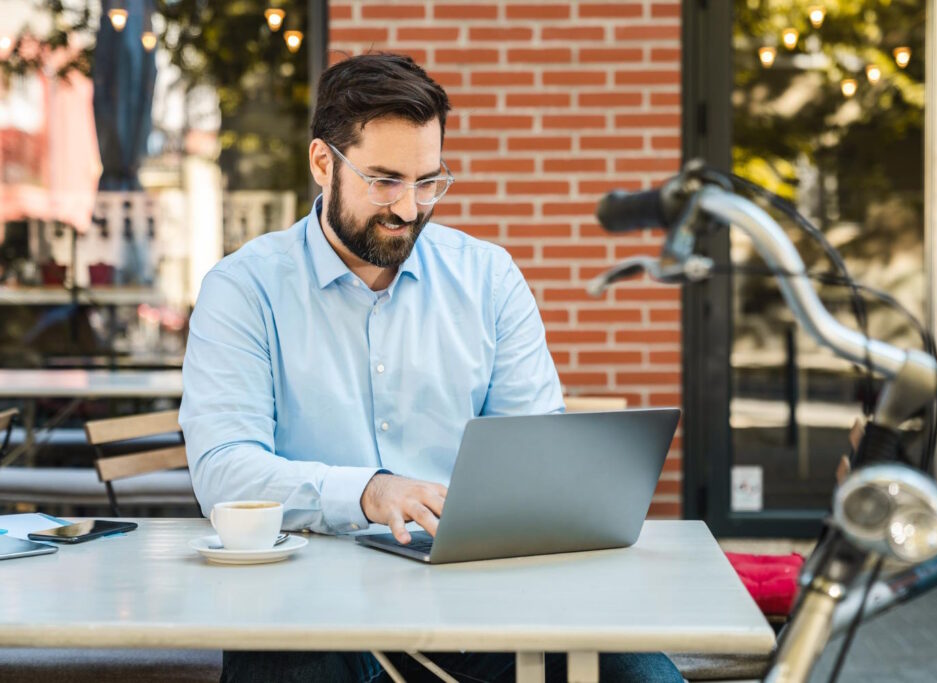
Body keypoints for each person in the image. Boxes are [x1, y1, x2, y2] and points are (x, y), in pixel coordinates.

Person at [179, 52, 684, 683]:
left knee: (642, 675)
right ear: (321, 163)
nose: (411, 208)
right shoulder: (243, 288)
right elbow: (224, 473)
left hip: (478, 597)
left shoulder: (488, 277)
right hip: (304, 601)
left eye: (428, 181)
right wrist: (370, 492)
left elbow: (538, 451)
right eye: (385, 180)